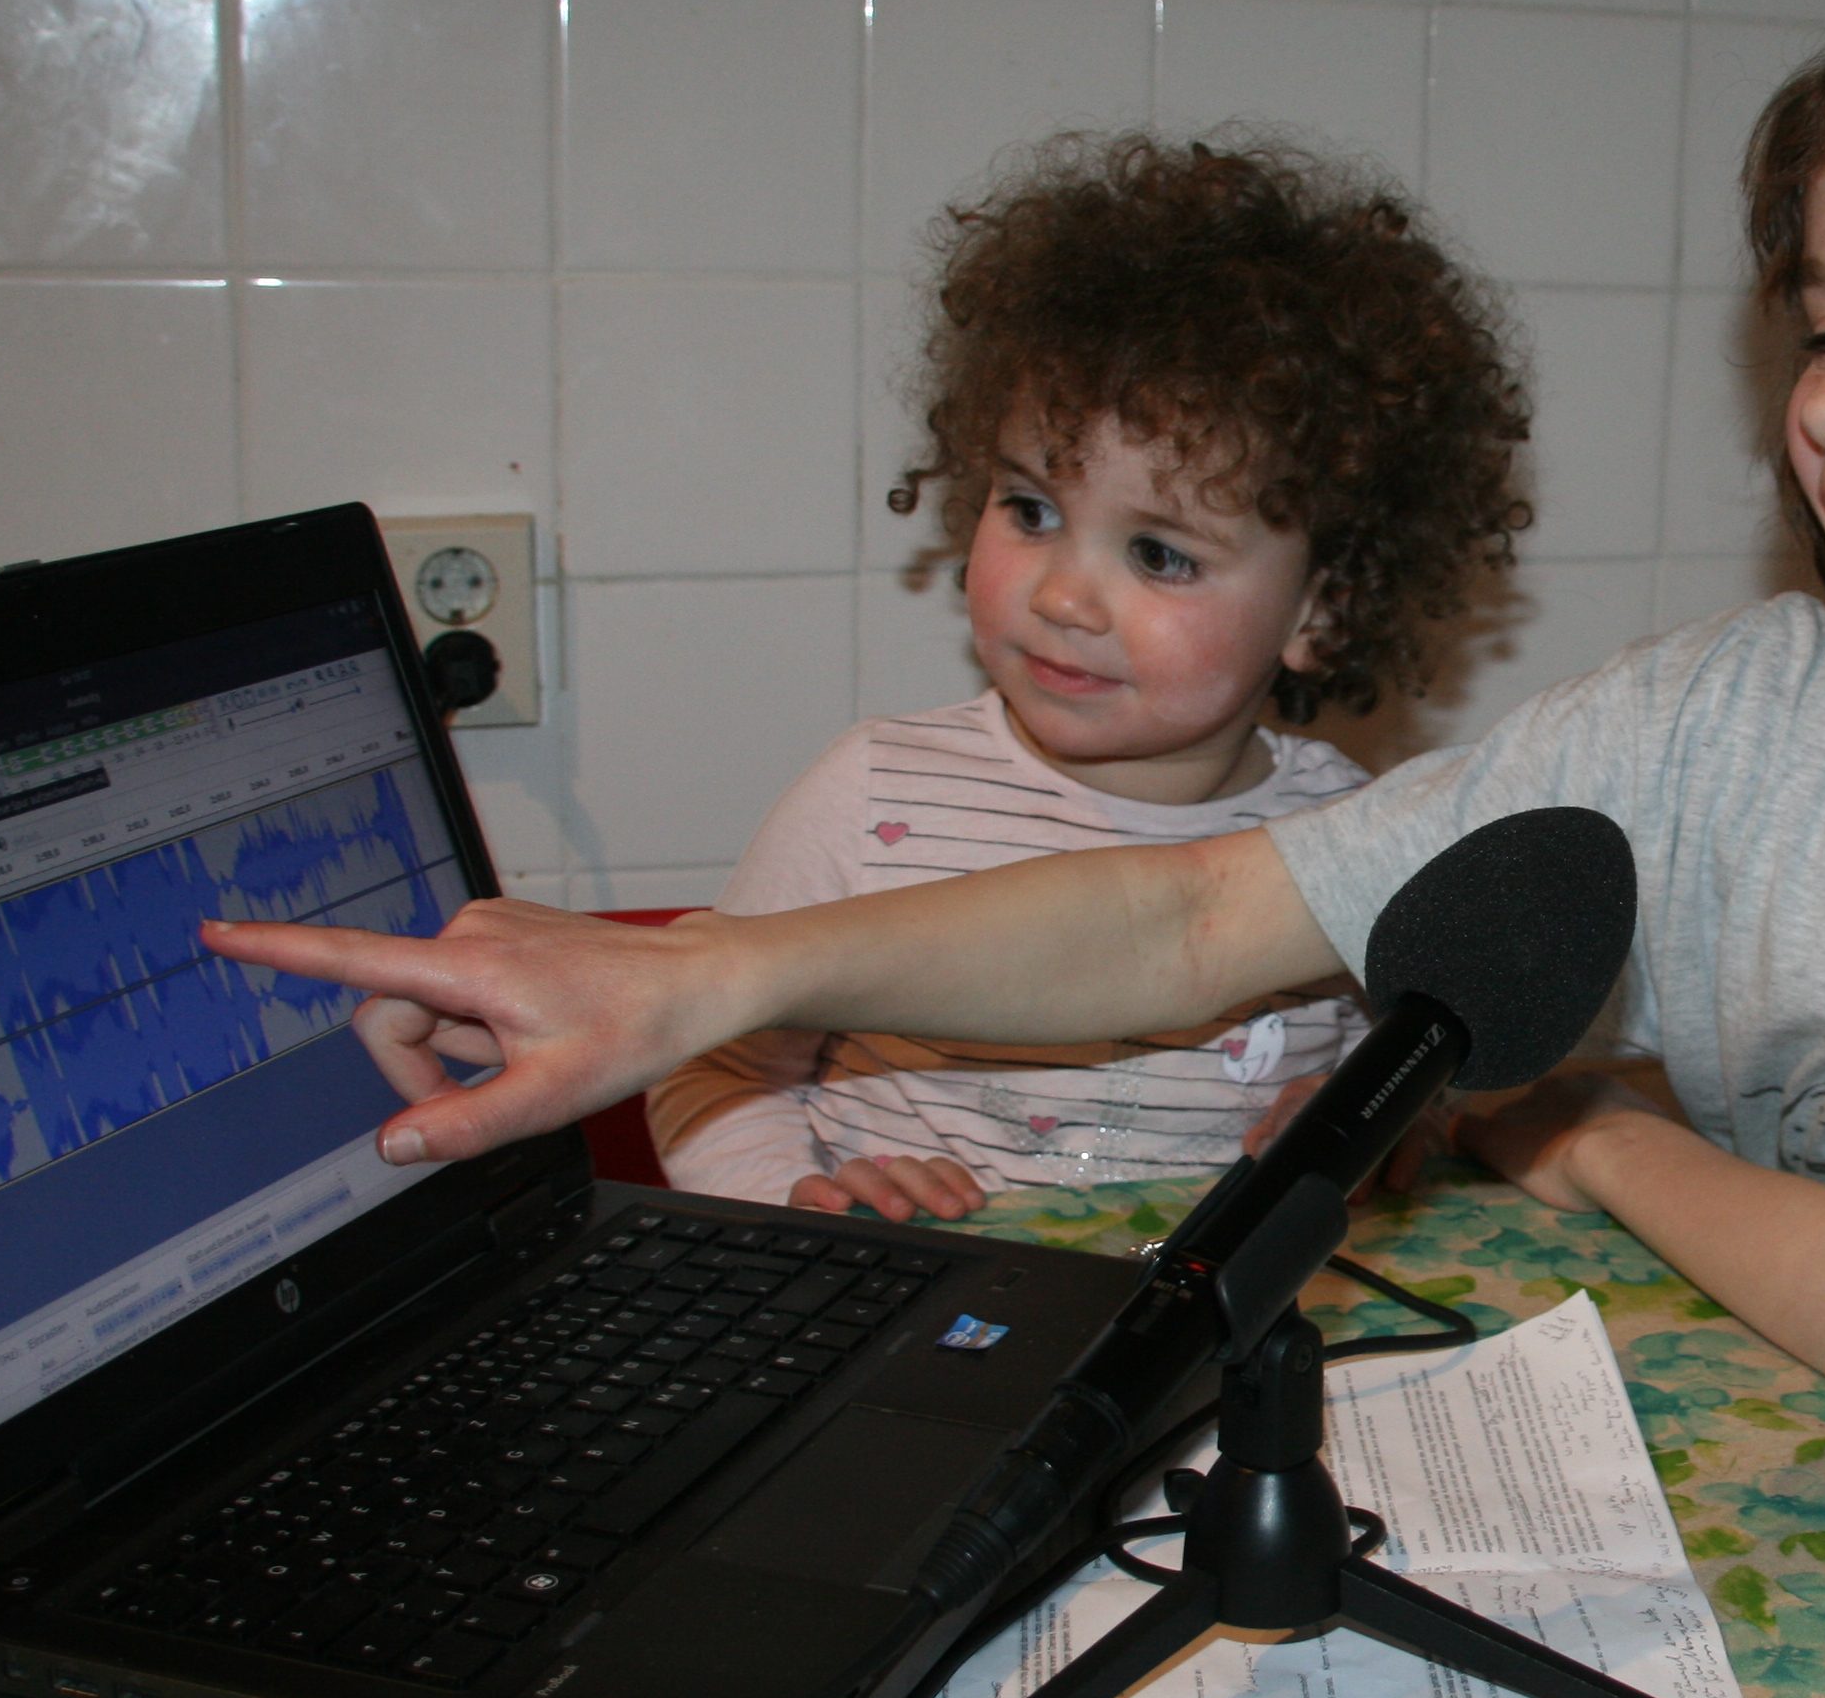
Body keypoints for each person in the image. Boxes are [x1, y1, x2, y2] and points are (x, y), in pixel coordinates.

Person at [206, 0, 1825, 1415]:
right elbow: (1198, 915)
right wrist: (695, 979)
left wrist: (1569, 1129)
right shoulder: (1740, 711)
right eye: (1822, 322)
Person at [646, 134, 1529, 1219]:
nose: (1064, 596)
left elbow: (1426, 1094)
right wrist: (807, 1199)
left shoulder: (1351, 841)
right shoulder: (873, 800)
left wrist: (1366, 1118)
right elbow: (706, 1073)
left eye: (1158, 554)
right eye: (1030, 510)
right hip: (928, 1303)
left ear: (1321, 609)